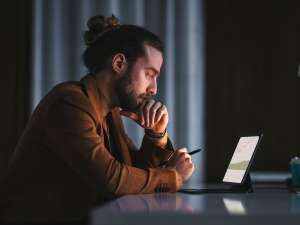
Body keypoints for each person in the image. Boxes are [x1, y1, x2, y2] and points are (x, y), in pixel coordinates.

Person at [0, 15, 195, 222]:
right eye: (149, 74)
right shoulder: (69, 102)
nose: (154, 89)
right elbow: (112, 179)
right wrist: (174, 177)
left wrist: (156, 134)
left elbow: (132, 172)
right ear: (119, 63)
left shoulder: (109, 112)